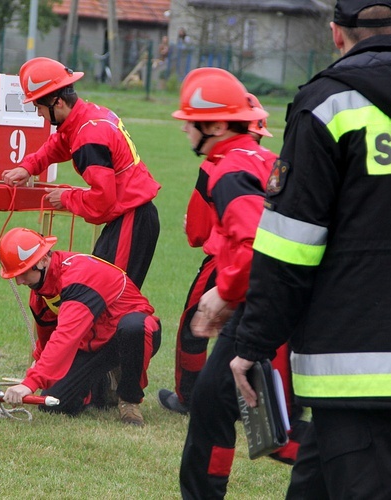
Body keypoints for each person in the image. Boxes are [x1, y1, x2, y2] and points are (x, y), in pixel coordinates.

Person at [230, 1, 391, 498]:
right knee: (316, 483)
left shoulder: (324, 104)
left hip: (342, 353)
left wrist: (254, 345)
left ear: (335, 34)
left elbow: (290, 243)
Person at [158, 67, 288, 498]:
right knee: (216, 401)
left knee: (245, 415)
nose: (186, 133)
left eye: (190, 124)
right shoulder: (265, 159)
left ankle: (390, 473)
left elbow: (252, 245)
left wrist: (225, 294)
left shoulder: (229, 170)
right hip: (279, 296)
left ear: (214, 125)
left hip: (263, 300)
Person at [158, 90, 277, 416]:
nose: (186, 130)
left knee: (192, 329)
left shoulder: (220, 166)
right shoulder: (273, 161)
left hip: (230, 265)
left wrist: (224, 286)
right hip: (276, 273)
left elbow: (197, 233)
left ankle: (188, 398)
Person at [2, 57, 161, 290]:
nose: (38, 115)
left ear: (57, 103)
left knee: (111, 297)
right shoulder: (86, 117)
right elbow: (59, 143)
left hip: (131, 219)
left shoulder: (89, 136)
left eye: (38, 107)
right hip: (129, 216)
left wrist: (66, 198)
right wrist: (29, 167)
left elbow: (102, 200)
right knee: (98, 290)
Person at [0, 227, 162, 427]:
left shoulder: (79, 277)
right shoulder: (39, 292)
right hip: (92, 344)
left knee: (135, 327)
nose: (19, 281)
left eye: (23, 273)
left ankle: (129, 399)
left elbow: (66, 337)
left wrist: (30, 383)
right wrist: (37, 365)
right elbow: (47, 336)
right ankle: (104, 386)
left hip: (129, 336)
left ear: (42, 260)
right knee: (54, 404)